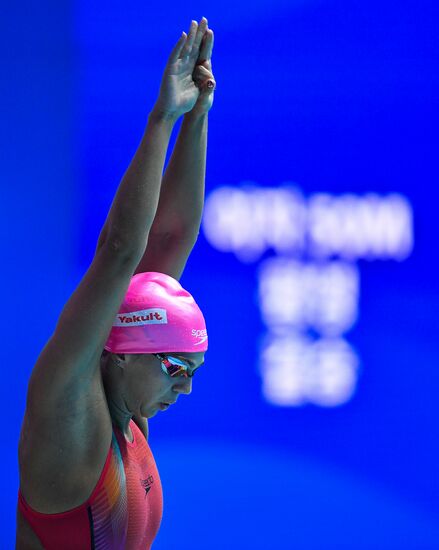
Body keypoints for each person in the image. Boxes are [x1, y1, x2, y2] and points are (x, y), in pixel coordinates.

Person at [16, 16, 215, 549]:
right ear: (127, 351)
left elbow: (171, 237)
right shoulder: (69, 411)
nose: (186, 387)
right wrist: (162, 119)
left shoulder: (127, 413)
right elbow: (120, 251)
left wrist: (196, 119)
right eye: (176, 367)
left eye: (193, 370)